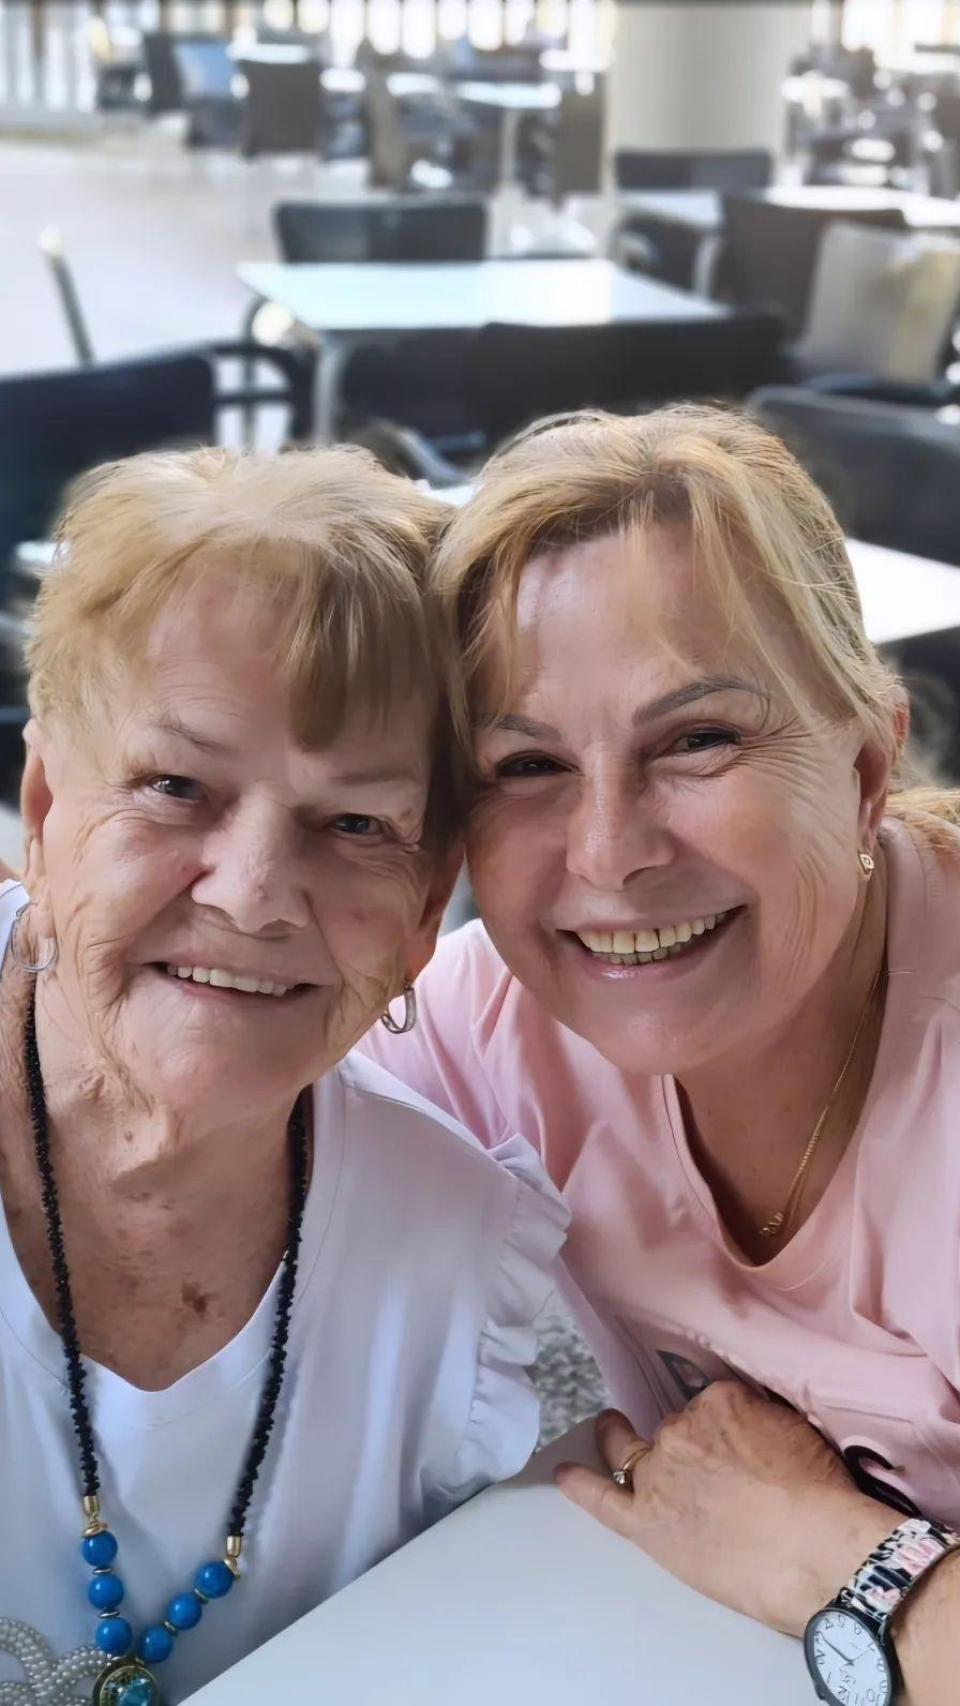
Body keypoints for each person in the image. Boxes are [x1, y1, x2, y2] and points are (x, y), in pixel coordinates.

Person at [364, 406, 960, 1705]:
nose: (609, 854)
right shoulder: (491, 1027)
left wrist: (847, 1560)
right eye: (523, 763)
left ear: (865, 768)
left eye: (696, 739)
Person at [0, 447, 566, 1706]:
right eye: (175, 786)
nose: (252, 895)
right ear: (44, 805)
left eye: (355, 823)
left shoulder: (456, 1259)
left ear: (427, 907)